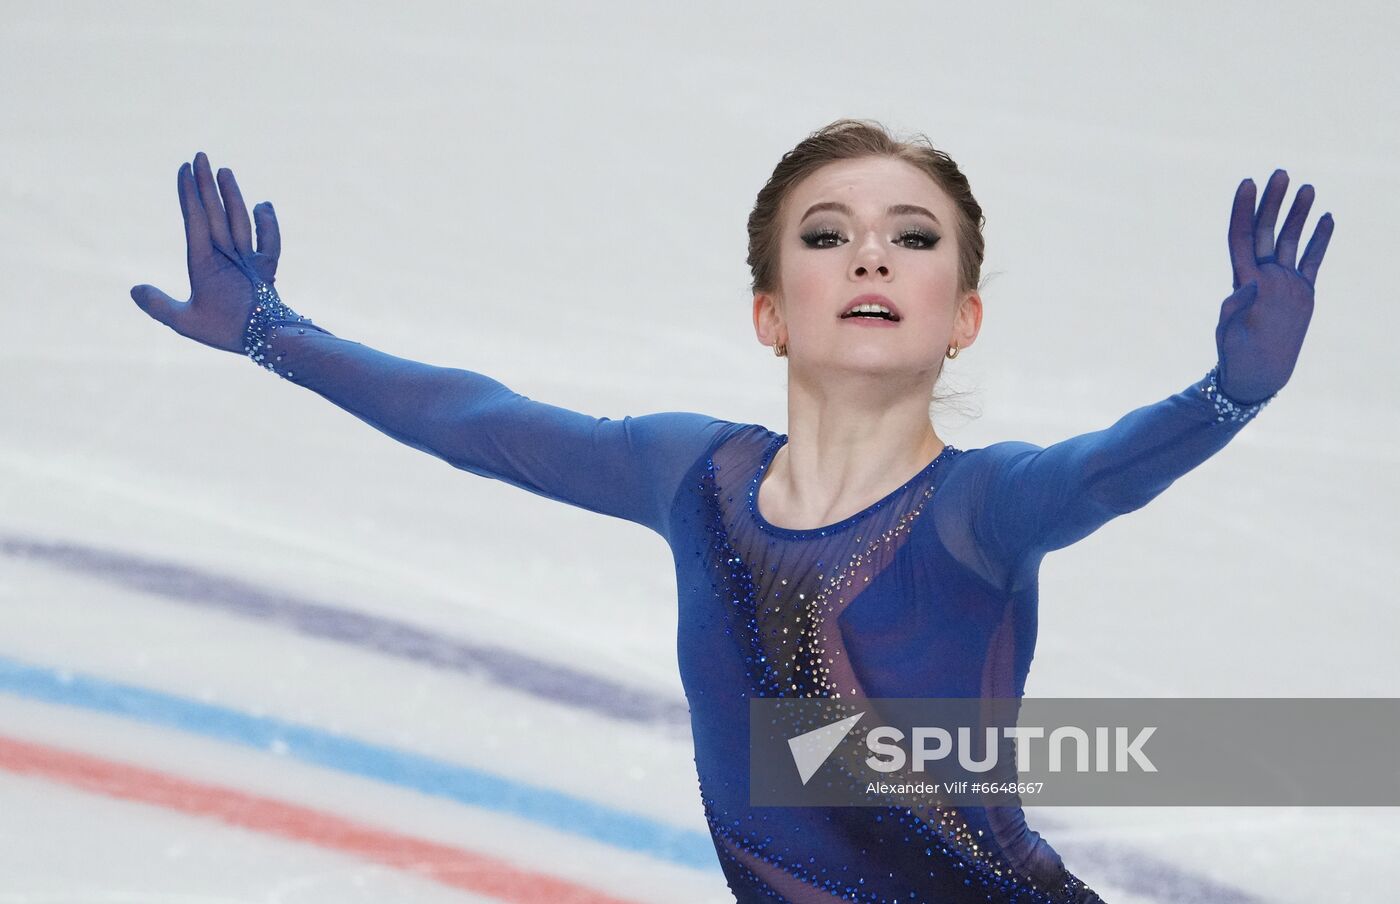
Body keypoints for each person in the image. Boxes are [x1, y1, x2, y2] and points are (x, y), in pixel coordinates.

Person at [130, 119, 1333, 903]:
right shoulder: (692, 476)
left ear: (960, 315)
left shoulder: (979, 507)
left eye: (912, 239)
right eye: (828, 235)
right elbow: (477, 421)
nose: (870, 257)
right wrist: (271, 335)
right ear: (770, 312)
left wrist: (1225, 395)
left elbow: (1102, 471)